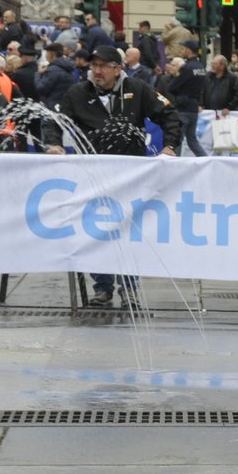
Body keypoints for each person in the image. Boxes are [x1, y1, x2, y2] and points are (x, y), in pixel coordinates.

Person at [46, 46, 183, 308]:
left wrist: (170, 147)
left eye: (103, 66)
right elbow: (53, 120)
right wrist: (54, 144)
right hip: (92, 173)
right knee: (95, 230)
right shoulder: (78, 92)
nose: (96, 71)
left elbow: (169, 115)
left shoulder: (138, 88)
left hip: (130, 174)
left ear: (118, 68)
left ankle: (129, 288)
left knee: (128, 231)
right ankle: (103, 287)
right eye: (93, 65)